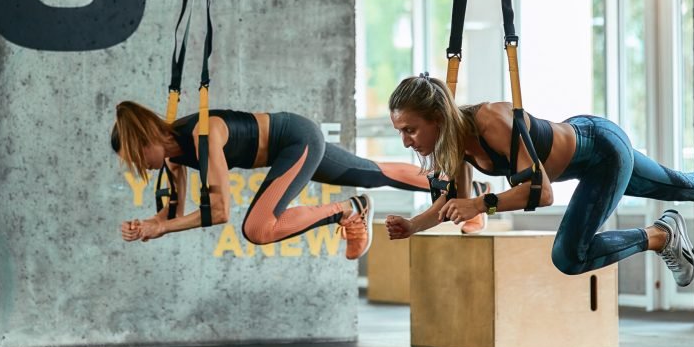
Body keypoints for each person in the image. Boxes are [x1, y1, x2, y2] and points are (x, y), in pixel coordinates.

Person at [383, 74, 694, 285]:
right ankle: (671, 231)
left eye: (410, 130)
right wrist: (412, 225)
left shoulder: (491, 122)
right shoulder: (452, 148)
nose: (406, 140)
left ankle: (666, 233)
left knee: (570, 255)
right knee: (679, 185)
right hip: (586, 160)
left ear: (438, 118)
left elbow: (542, 193)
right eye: (400, 131)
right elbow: (447, 204)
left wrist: (482, 204)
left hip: (600, 147)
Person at [111, 101, 473, 259]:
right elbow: (170, 212)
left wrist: (164, 228)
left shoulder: (202, 136)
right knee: (370, 172)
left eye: (136, 158)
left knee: (258, 228)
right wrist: (150, 224)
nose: (140, 167)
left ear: (148, 140)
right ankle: (474, 195)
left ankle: (350, 209)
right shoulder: (173, 155)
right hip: (288, 147)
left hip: (295, 138)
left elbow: (219, 211)